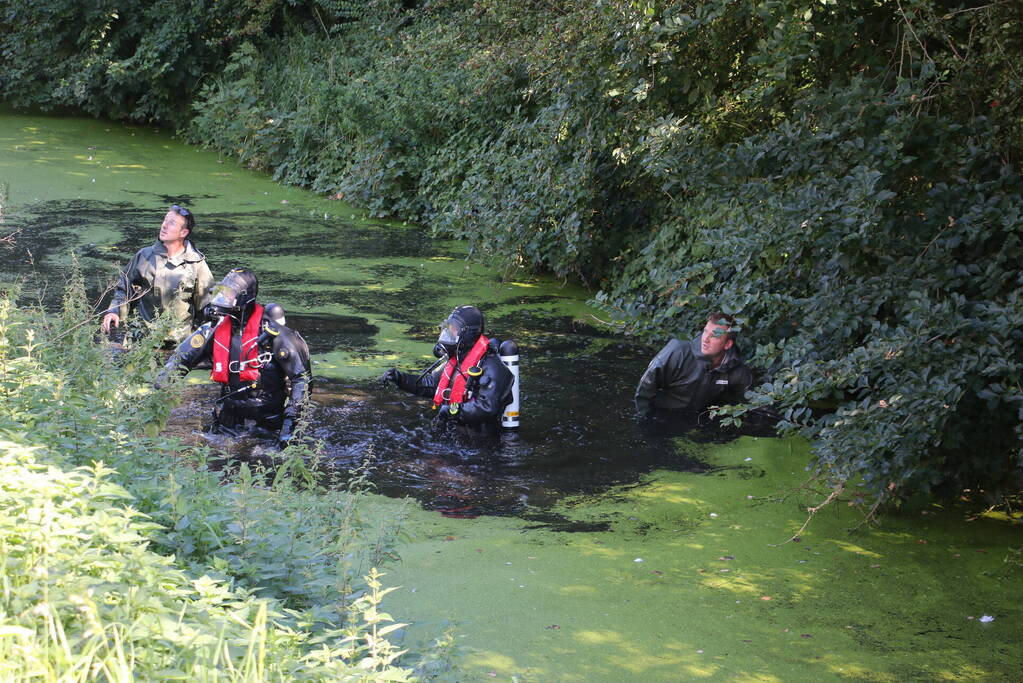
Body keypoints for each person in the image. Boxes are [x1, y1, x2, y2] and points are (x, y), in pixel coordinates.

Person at [156, 268, 311, 447]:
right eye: (222, 292)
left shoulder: (276, 334)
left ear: (244, 298)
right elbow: (181, 359)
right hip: (228, 421)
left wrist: (289, 429)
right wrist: (164, 382)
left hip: (269, 424)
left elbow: (302, 380)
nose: (223, 298)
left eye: (229, 294)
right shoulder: (213, 329)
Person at [379, 305, 514, 436]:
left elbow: (486, 407)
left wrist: (452, 411)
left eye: (454, 329)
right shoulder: (457, 357)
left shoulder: (492, 367)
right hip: (454, 433)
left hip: (479, 445)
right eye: (449, 328)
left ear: (468, 333)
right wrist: (400, 379)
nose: (449, 333)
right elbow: (431, 383)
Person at [102, 204, 214, 344]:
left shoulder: (196, 264)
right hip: (141, 341)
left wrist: (198, 344)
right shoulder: (144, 256)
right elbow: (124, 289)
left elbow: (207, 307)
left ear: (183, 233)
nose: (164, 225)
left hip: (179, 345)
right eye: (165, 220)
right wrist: (114, 311)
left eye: (171, 223)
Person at [634, 311, 753, 417]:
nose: (706, 339)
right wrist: (646, 419)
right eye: (705, 331)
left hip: (698, 419)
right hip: (661, 414)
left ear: (727, 344)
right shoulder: (677, 352)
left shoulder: (737, 370)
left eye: (714, 336)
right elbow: (644, 391)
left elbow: (752, 405)